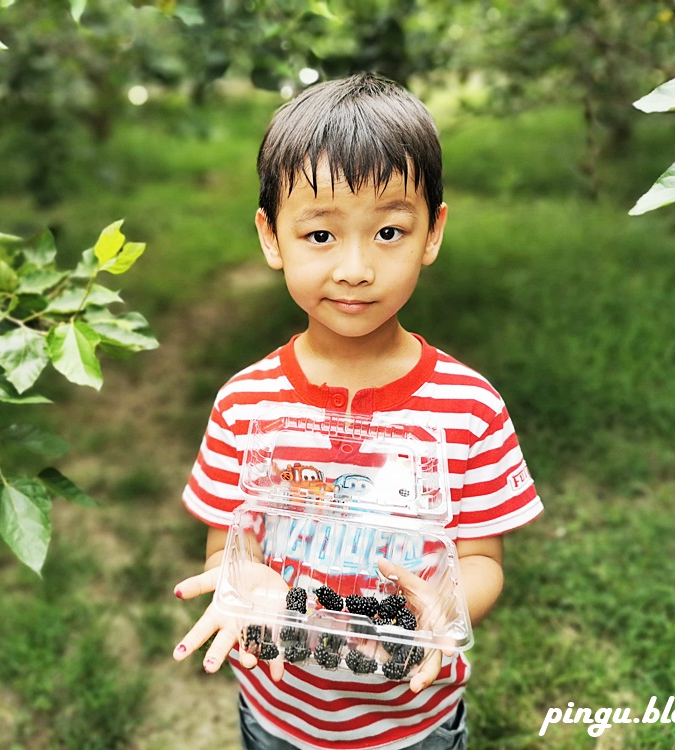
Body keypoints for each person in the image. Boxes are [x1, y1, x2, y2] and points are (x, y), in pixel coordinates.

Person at [172, 72, 544, 750]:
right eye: (319, 236)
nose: (353, 268)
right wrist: (243, 578)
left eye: (389, 232)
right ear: (271, 237)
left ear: (432, 233)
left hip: (416, 720)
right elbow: (232, 542)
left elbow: (482, 560)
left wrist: (450, 604)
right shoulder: (244, 403)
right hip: (279, 715)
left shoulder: (469, 409)